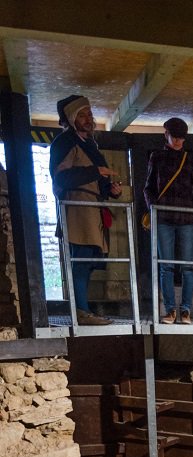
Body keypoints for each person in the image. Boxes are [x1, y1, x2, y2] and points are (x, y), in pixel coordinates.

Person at [50, 94, 122, 326]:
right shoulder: (64, 143)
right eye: (82, 114)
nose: (88, 118)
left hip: (94, 209)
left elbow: (99, 177)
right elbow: (61, 178)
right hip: (78, 209)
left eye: (89, 113)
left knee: (89, 262)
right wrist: (96, 172)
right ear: (72, 118)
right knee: (80, 260)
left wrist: (111, 189)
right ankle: (80, 311)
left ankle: (84, 309)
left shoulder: (90, 144)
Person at [143, 118, 193, 324]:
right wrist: (154, 208)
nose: (178, 141)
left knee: (187, 267)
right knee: (166, 266)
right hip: (164, 219)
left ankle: (186, 310)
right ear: (166, 135)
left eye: (181, 138)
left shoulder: (191, 158)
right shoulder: (157, 157)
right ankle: (170, 310)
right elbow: (148, 188)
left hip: (186, 219)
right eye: (174, 137)